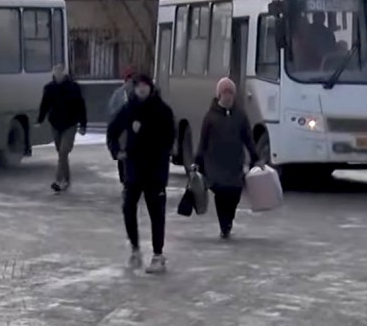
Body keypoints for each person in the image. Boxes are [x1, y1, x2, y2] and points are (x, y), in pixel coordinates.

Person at [107, 74, 176, 274]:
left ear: (151, 88)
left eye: (145, 86)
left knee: (157, 212)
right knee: (128, 207)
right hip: (134, 169)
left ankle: (157, 254)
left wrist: (147, 135)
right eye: (138, 86)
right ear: (134, 89)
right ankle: (135, 250)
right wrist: (116, 151)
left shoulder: (162, 110)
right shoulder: (129, 109)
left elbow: (169, 138)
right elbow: (112, 130)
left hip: (155, 170)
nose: (142, 89)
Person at [193, 77, 262, 239]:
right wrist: (197, 161)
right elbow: (202, 141)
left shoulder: (240, 116)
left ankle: (228, 219)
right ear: (219, 95)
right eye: (225, 92)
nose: (228, 96)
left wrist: (255, 157)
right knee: (221, 193)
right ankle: (224, 224)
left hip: (234, 162)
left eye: (230, 92)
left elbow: (248, 138)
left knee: (235, 192)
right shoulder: (210, 117)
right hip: (215, 163)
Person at [37, 64, 87, 193]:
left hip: (70, 125)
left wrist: (83, 124)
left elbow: (81, 106)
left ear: (64, 73)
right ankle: (67, 179)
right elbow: (44, 105)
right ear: (53, 73)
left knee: (63, 152)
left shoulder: (73, 87)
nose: (58, 74)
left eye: (61, 71)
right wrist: (39, 120)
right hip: (55, 124)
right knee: (61, 153)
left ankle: (59, 181)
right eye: (56, 71)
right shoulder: (49, 88)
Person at [107, 66, 137, 183]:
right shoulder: (119, 94)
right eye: (129, 78)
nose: (131, 81)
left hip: (135, 128)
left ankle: (131, 180)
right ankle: (124, 180)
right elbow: (112, 110)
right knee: (123, 154)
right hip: (123, 129)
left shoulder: (139, 91)